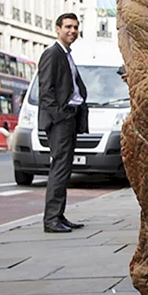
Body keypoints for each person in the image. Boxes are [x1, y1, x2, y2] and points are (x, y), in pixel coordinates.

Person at [38, 13, 88, 233]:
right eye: (68, 27)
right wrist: (61, 117)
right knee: (59, 168)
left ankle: (59, 215)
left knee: (64, 168)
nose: (72, 31)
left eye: (76, 27)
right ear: (57, 29)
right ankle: (51, 220)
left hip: (69, 118)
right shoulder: (52, 54)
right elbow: (46, 91)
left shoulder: (66, 54)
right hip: (60, 120)